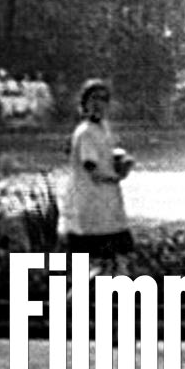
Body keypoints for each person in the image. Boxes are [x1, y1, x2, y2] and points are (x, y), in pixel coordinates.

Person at [56, 79, 134, 279]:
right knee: (95, 266)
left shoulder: (103, 128)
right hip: (91, 207)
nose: (99, 104)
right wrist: (117, 175)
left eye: (104, 99)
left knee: (117, 262)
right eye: (94, 99)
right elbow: (92, 168)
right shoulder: (86, 132)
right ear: (85, 103)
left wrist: (120, 159)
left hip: (107, 206)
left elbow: (104, 154)